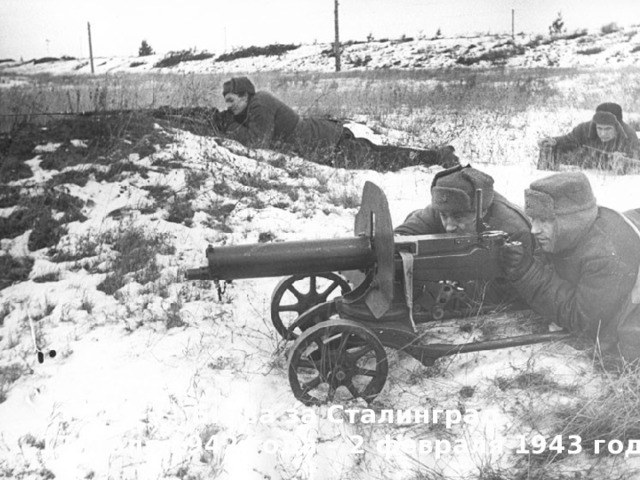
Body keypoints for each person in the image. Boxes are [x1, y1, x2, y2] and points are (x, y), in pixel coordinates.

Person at [500, 171, 640, 360]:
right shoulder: (568, 234)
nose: (534, 229)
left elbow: (583, 322)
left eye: (545, 220)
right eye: (532, 218)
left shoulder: (605, 254)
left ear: (573, 221)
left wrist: (528, 274)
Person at [217, 76, 459, 171]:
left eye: (231, 101)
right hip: (328, 138)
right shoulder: (256, 103)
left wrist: (230, 126)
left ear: (245, 95)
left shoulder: (260, 103)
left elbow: (258, 141)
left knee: (384, 159)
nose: (230, 107)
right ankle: (437, 155)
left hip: (330, 144)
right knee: (380, 154)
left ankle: (437, 157)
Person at [395, 165, 534, 309]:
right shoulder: (448, 207)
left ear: (482, 212)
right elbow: (407, 231)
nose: (449, 226)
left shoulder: (513, 231)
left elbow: (504, 295)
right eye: (444, 216)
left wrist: (449, 288)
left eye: (458, 217)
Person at [537, 102, 640, 172]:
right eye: (599, 128)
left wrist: (626, 161)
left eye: (608, 129)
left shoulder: (629, 135)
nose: (603, 134)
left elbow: (636, 160)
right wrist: (553, 141)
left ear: (618, 128)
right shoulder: (584, 129)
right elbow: (567, 139)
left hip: (609, 172)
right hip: (587, 161)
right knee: (549, 147)